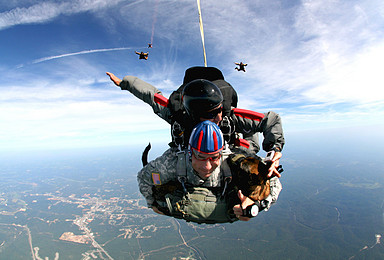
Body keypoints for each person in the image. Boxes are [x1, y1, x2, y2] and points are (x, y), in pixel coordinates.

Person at [106, 70, 284, 178]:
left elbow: (271, 120)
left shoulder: (229, 116)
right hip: (189, 149)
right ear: (192, 115)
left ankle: (247, 136)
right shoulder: (178, 115)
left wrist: (274, 151)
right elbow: (152, 96)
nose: (216, 118)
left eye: (217, 111)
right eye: (208, 115)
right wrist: (125, 83)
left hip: (230, 143)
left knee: (250, 149)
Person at [137, 120, 282, 223]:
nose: (206, 166)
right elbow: (145, 178)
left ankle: (248, 132)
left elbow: (274, 181)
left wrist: (256, 204)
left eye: (213, 158)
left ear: (221, 154)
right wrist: (152, 203)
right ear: (189, 153)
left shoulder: (233, 161)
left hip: (240, 157)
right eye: (200, 157)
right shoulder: (171, 163)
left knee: (251, 148)